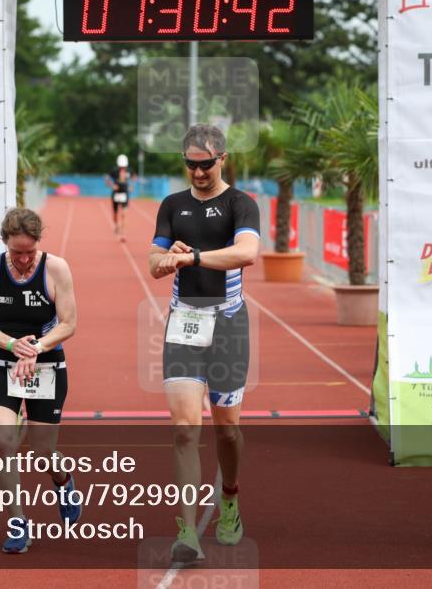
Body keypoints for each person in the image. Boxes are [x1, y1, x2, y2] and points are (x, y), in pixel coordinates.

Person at [149, 124, 260, 562]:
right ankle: (188, 530)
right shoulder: (172, 205)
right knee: (184, 428)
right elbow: (154, 263)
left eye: (206, 164)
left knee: (226, 430)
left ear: (222, 159)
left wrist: (192, 257)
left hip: (228, 324)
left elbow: (247, 253)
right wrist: (167, 259)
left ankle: (229, 498)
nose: (198, 173)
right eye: (190, 165)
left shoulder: (240, 204)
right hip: (184, 324)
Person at [0, 207, 81, 554]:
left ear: (38, 243)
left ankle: (63, 480)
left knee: (42, 452)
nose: (23, 259)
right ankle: (18, 522)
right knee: (3, 442)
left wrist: (36, 347)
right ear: (5, 243)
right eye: (16, 252)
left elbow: (69, 323)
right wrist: (10, 344)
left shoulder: (56, 268)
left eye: (29, 252)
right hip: (2, 360)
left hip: (45, 363)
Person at [106, 154, 136, 241]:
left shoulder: (129, 171)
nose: (122, 168)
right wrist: (112, 186)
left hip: (125, 194)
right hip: (116, 194)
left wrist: (132, 186)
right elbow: (107, 179)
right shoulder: (114, 171)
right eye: (121, 166)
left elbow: (134, 176)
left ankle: (123, 233)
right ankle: (116, 225)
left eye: (124, 166)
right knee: (115, 214)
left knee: (124, 214)